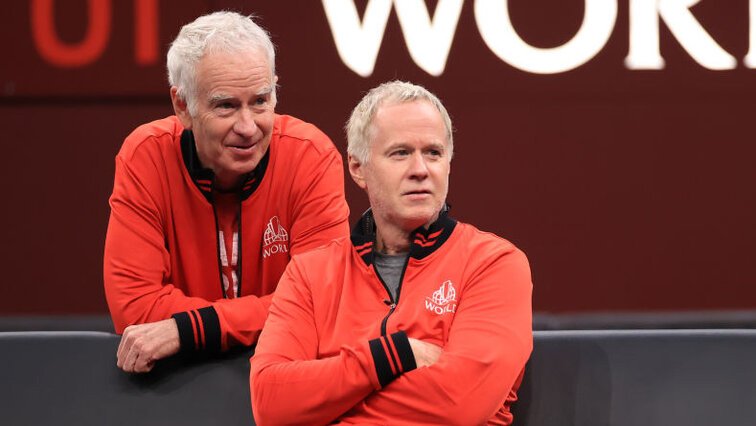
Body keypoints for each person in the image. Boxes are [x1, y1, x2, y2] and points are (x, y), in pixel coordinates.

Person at [250, 81, 533, 425]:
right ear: (357, 168)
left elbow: (457, 407)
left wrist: (324, 404)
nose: (420, 169)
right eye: (400, 153)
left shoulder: (494, 264)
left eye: (433, 152)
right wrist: (392, 356)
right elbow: (271, 404)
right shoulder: (309, 274)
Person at [103, 11, 349, 373]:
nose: (248, 127)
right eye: (226, 106)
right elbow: (135, 308)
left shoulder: (310, 156)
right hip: (175, 389)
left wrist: (188, 330)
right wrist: (267, 315)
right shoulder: (146, 156)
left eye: (260, 101)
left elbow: (322, 307)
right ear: (182, 105)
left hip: (286, 384)